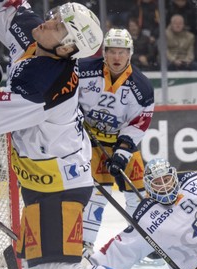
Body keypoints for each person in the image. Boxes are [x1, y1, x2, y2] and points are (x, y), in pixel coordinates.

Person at [0, 0, 191, 269]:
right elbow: (4, 9)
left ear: (68, 46)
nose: (48, 21)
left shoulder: (46, 82)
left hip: (60, 185)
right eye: (54, 15)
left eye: (57, 23)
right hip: (42, 180)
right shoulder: (41, 39)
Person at [78, 28, 154, 255]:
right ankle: (85, 243)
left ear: (129, 53)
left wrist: (122, 153)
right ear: (104, 52)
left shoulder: (142, 88)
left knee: (139, 193)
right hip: (90, 142)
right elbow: (66, 97)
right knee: (97, 194)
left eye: (122, 52)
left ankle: (144, 239)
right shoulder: (83, 71)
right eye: (112, 51)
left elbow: (138, 123)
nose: (117, 57)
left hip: (121, 143)